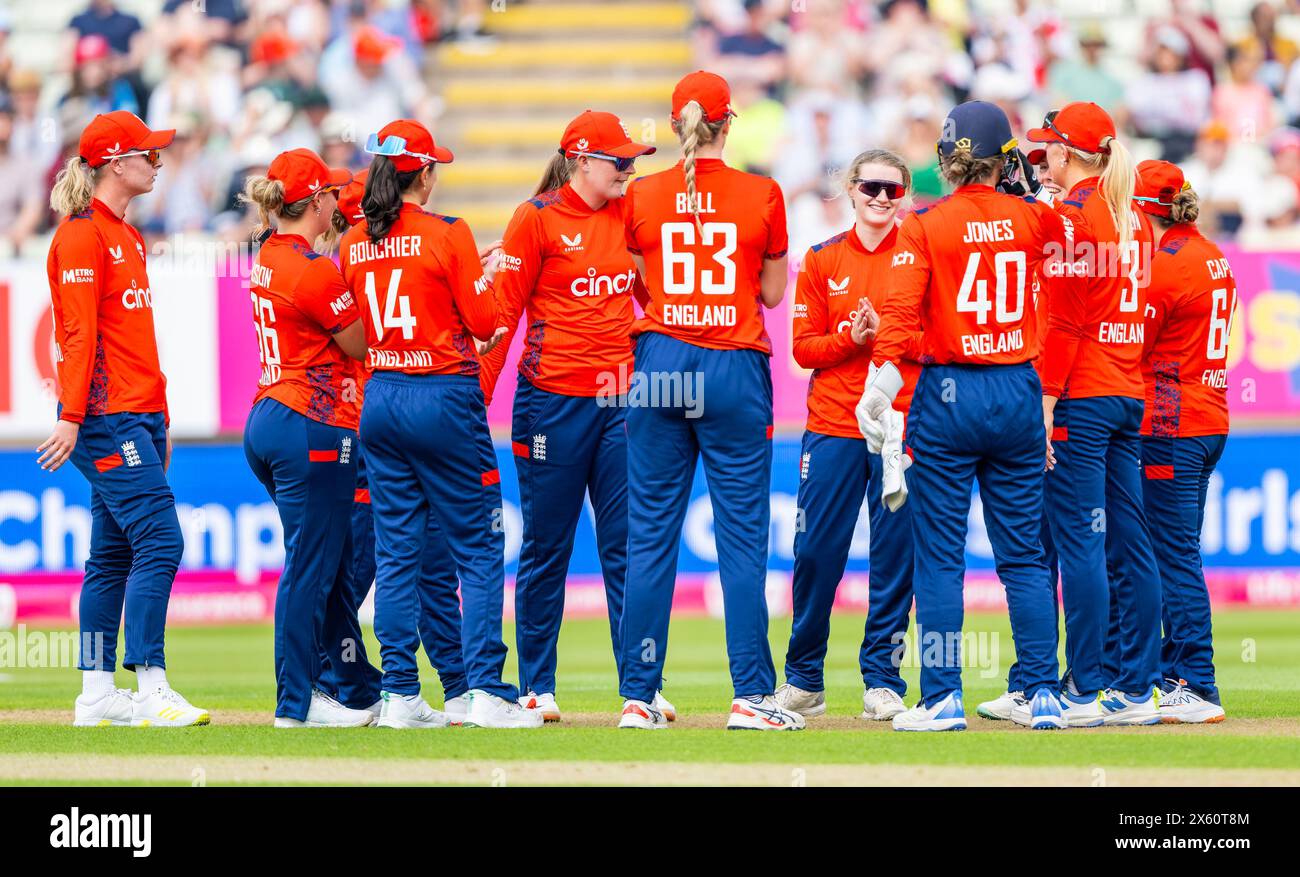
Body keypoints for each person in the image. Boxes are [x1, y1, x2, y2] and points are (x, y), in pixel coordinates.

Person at [857, 100, 1067, 732]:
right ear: (1002, 158)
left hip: (951, 392)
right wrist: (1025, 188)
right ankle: (1041, 692)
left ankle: (943, 697)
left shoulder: (924, 224)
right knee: (1025, 556)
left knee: (941, 556)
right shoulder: (1035, 219)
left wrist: (880, 382)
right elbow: (1063, 260)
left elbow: (898, 317)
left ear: (947, 158)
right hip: (1017, 388)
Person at [338, 118, 541, 729]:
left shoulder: (352, 242)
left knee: (397, 551)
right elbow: (483, 322)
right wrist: (489, 284)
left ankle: (401, 694)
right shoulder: (447, 232)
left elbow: (357, 329)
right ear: (423, 173)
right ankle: (483, 692)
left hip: (383, 395)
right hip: (443, 396)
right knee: (478, 546)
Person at [478, 110, 678, 723]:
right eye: (619, 161)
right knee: (547, 546)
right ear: (580, 161)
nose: (630, 169)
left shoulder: (633, 216)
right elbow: (501, 320)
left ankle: (640, 686)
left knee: (628, 546)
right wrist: (475, 405)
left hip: (621, 403)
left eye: (634, 160)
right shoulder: (535, 220)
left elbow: (657, 303)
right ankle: (538, 685)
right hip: (549, 405)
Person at [618, 71, 801, 731]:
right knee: (743, 538)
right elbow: (775, 295)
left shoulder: (641, 194)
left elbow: (639, 280)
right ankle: (751, 696)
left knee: (648, 534)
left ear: (675, 127)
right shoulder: (763, 192)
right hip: (733, 364)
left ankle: (639, 694)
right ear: (731, 123)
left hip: (662, 360)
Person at [42, 110, 208, 727]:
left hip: (134, 415)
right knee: (162, 539)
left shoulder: (128, 236)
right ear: (116, 162)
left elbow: (135, 337)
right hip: (106, 416)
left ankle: (95, 694)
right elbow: (79, 334)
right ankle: (150, 686)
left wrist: (159, 418)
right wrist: (71, 416)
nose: (158, 163)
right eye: (149, 154)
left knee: (110, 557)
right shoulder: (80, 236)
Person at [1026, 101, 1164, 726]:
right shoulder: (1132, 215)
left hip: (1081, 392)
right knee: (1131, 542)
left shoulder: (1077, 217)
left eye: (1048, 147)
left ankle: (1083, 688)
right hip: (1126, 390)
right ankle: (1137, 689)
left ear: (1065, 151)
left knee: (1080, 540)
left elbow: (1064, 319)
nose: (1042, 157)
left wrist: (1048, 398)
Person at [319, 169, 472, 724]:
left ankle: (414, 687)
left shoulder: (348, 258)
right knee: (385, 567)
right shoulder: (367, 255)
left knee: (401, 564)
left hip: (374, 425)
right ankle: (335, 680)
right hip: (385, 426)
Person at [775, 148, 918, 723]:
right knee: (816, 552)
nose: (882, 198)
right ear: (851, 189)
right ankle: (805, 677)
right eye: (872, 187)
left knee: (894, 557)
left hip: (898, 426)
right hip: (833, 425)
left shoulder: (921, 256)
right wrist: (851, 339)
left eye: (893, 189)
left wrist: (891, 335)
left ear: (905, 194)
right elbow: (802, 349)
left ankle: (882, 679)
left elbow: (940, 344)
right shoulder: (820, 258)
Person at [240, 148, 376, 729]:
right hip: (311, 424)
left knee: (332, 562)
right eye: (329, 197)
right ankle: (298, 703)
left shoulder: (269, 253)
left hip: (269, 416)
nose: (334, 205)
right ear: (317, 202)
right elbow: (360, 346)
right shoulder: (314, 270)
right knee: (313, 568)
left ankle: (351, 683)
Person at [1133, 159, 1234, 724]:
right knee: (1177, 550)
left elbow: (1133, 344)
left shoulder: (1165, 267)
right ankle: (1176, 673)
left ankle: (1196, 680)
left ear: (1144, 211)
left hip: (1172, 421)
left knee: (1171, 555)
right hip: (1209, 415)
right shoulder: (1213, 256)